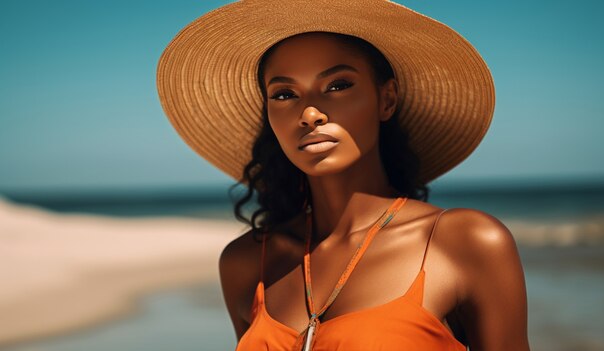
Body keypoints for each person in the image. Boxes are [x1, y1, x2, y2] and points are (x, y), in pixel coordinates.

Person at [156, 1, 529, 350]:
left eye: (337, 85)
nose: (310, 113)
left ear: (387, 100)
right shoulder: (247, 263)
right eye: (285, 94)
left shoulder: (464, 242)